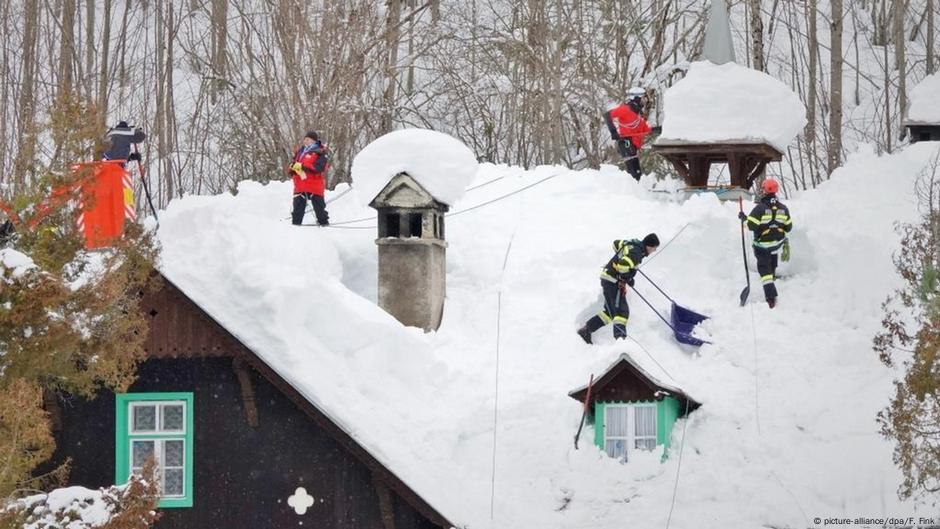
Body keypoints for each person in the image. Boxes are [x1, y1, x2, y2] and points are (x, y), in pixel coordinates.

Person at [577, 233, 660, 344]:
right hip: (612, 281)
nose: (654, 251)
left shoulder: (631, 244)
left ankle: (586, 330)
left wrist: (622, 261)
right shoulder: (636, 253)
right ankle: (621, 342)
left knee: (610, 313)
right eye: (654, 248)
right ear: (649, 246)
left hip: (609, 279)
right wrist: (627, 278)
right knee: (621, 312)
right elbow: (623, 265)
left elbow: (616, 244)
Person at [738, 178, 792, 308]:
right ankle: (772, 272)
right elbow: (788, 228)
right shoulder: (783, 209)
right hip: (777, 243)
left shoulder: (760, 209)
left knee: (764, 270)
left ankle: (771, 296)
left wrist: (743, 218)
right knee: (772, 251)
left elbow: (751, 226)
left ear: (764, 190)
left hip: (763, 245)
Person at [604, 87, 652, 181]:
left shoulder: (638, 113)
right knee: (635, 172)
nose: (645, 101)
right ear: (637, 98)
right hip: (626, 143)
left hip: (633, 145)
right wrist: (614, 132)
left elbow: (646, 130)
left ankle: (636, 190)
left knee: (637, 173)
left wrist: (664, 129)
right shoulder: (625, 109)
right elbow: (607, 115)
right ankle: (633, 192)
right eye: (643, 98)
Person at [288, 130, 330, 226]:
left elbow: (320, 168)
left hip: (314, 186)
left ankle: (325, 228)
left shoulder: (320, 152)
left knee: (320, 211)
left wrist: (305, 167)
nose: (305, 141)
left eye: (308, 139)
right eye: (305, 139)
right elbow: (293, 163)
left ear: (314, 141)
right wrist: (292, 168)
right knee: (297, 211)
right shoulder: (300, 151)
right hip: (300, 185)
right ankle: (294, 230)